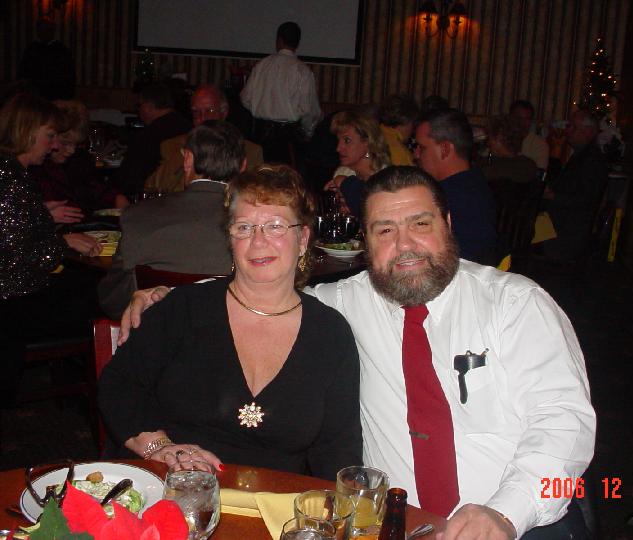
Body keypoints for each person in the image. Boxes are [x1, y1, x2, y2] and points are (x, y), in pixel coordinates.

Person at [121, 166, 595, 539]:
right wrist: (167, 296)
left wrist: (506, 513)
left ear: (448, 225)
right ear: (364, 243)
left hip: (521, 523)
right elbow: (261, 286)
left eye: (420, 224)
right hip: (397, 525)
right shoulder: (342, 304)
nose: (404, 245)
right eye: (384, 230)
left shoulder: (515, 304)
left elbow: (565, 423)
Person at [98, 164, 361, 480]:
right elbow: (119, 384)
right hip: (177, 488)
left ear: (302, 238)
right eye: (244, 227)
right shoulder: (183, 309)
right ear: (230, 239)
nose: (258, 241)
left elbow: (337, 449)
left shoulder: (330, 333)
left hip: (275, 503)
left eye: (275, 226)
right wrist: (160, 448)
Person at [0, 93, 101, 401]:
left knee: (86, 285)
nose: (55, 145)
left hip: (16, 296)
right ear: (27, 132)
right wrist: (63, 242)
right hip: (14, 303)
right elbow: (16, 258)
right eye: (51, 136)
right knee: (103, 296)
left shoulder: (11, 171)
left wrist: (43, 214)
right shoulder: (11, 178)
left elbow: (13, 227)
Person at [97, 120, 246, 319]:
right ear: (243, 166)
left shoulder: (138, 216)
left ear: (188, 159)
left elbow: (113, 302)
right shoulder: (257, 224)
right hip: (233, 332)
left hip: (157, 334)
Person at [144, 85, 263, 194]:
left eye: (209, 111)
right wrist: (187, 153)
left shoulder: (250, 151)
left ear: (224, 112)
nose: (202, 118)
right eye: (196, 112)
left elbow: (256, 195)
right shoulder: (174, 146)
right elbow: (152, 188)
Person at [414, 108, 497, 263]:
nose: (416, 154)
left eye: (422, 147)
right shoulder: (473, 183)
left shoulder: (451, 198)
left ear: (445, 149)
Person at [29, 100, 129, 221]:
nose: (72, 150)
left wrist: (117, 197)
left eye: (76, 144)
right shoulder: (34, 167)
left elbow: (97, 188)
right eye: (65, 143)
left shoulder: (79, 159)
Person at [240, 21, 322, 163]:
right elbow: (309, 111)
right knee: (286, 175)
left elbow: (245, 98)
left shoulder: (262, 65)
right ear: (297, 43)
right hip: (288, 141)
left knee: (259, 173)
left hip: (260, 136)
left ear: (279, 40)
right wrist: (308, 132)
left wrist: (261, 107)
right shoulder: (303, 71)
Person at [539, 110, 608, 261]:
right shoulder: (581, 155)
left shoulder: (592, 160)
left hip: (567, 231)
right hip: (559, 223)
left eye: (573, 127)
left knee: (524, 226)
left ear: (588, 132)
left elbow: (586, 200)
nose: (568, 130)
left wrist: (553, 196)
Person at [116, 82, 192, 198]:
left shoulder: (148, 136)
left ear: (149, 107)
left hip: (153, 198)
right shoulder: (190, 128)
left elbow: (128, 179)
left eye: (139, 105)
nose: (138, 110)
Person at [323, 109, 391, 217]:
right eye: (338, 141)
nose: (338, 148)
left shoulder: (386, 178)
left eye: (347, 141)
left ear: (368, 142)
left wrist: (344, 183)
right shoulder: (344, 172)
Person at [18, 17, 75, 101]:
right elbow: (23, 73)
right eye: (41, 30)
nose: (43, 33)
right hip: (34, 96)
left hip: (56, 96)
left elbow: (68, 76)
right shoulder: (31, 49)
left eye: (47, 29)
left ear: (53, 31)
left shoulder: (61, 50)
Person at [482, 115, 538, 188]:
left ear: (499, 138)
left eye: (490, 138)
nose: (488, 143)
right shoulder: (529, 165)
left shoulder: (524, 167)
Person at [378, 94, 420, 166]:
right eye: (413, 123)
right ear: (407, 121)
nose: (412, 130)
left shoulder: (373, 133)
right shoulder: (399, 151)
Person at [509, 100, 549, 171]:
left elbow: (539, 173)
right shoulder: (499, 139)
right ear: (510, 117)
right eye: (518, 118)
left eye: (526, 119)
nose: (521, 122)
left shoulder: (539, 145)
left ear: (531, 121)